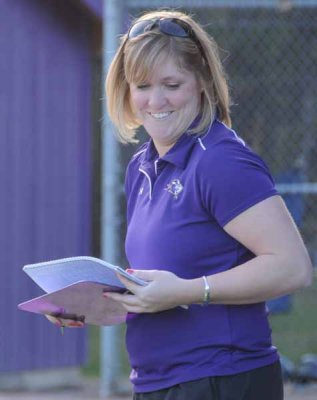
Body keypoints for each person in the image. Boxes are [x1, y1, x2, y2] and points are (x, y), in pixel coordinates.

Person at [49, 9, 313, 400]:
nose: (156, 101)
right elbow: (164, 286)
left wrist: (190, 291)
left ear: (202, 82)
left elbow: (293, 268)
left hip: (223, 379)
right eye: (142, 85)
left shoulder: (220, 161)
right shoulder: (142, 166)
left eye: (172, 84)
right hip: (159, 382)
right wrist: (92, 304)